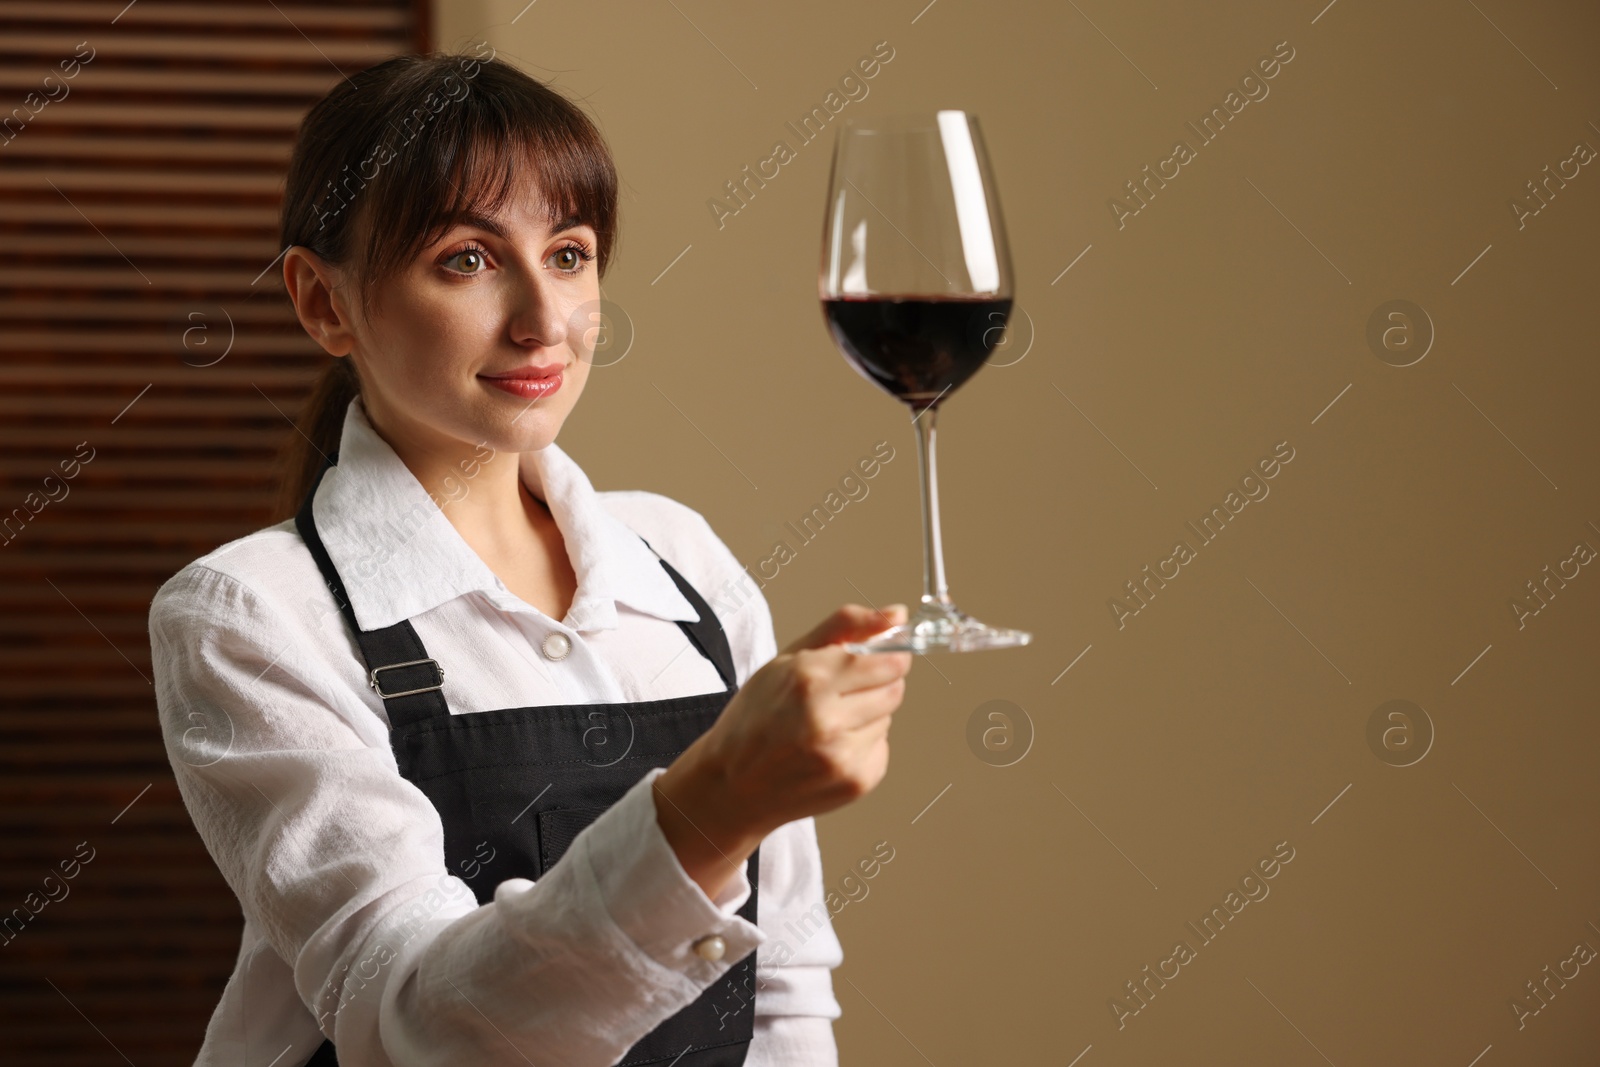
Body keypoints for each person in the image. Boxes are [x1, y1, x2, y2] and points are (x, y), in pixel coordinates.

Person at [147, 50, 913, 1067]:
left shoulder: (679, 557)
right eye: (466, 258)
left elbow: (781, 987)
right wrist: (710, 806)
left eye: (567, 252)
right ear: (323, 302)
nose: (545, 321)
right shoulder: (249, 613)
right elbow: (414, 1022)